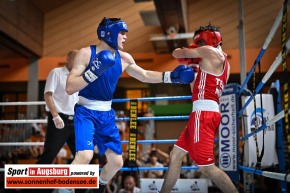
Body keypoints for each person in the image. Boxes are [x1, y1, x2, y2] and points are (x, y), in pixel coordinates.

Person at [64, 17, 194, 193]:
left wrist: (171, 76)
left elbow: (145, 75)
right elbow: (70, 87)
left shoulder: (124, 58)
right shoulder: (86, 53)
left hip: (106, 114)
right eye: (122, 33)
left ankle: (98, 189)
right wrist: (92, 73)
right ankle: (63, 190)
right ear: (109, 33)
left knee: (117, 162)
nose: (125, 37)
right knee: (85, 156)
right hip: (86, 111)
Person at [159, 24, 239, 193]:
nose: (198, 46)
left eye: (199, 42)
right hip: (206, 111)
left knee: (206, 167)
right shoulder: (224, 62)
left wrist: (187, 53)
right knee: (175, 156)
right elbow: (198, 88)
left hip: (202, 114)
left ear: (209, 40)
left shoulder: (208, 52)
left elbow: (176, 53)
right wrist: (192, 72)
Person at [36, 49, 79, 164]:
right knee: (48, 155)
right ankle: (31, 181)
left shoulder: (79, 77)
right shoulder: (56, 72)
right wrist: (55, 116)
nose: (77, 62)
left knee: (82, 156)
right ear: (68, 59)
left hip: (75, 122)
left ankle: (81, 181)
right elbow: (47, 95)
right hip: (59, 120)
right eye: (75, 59)